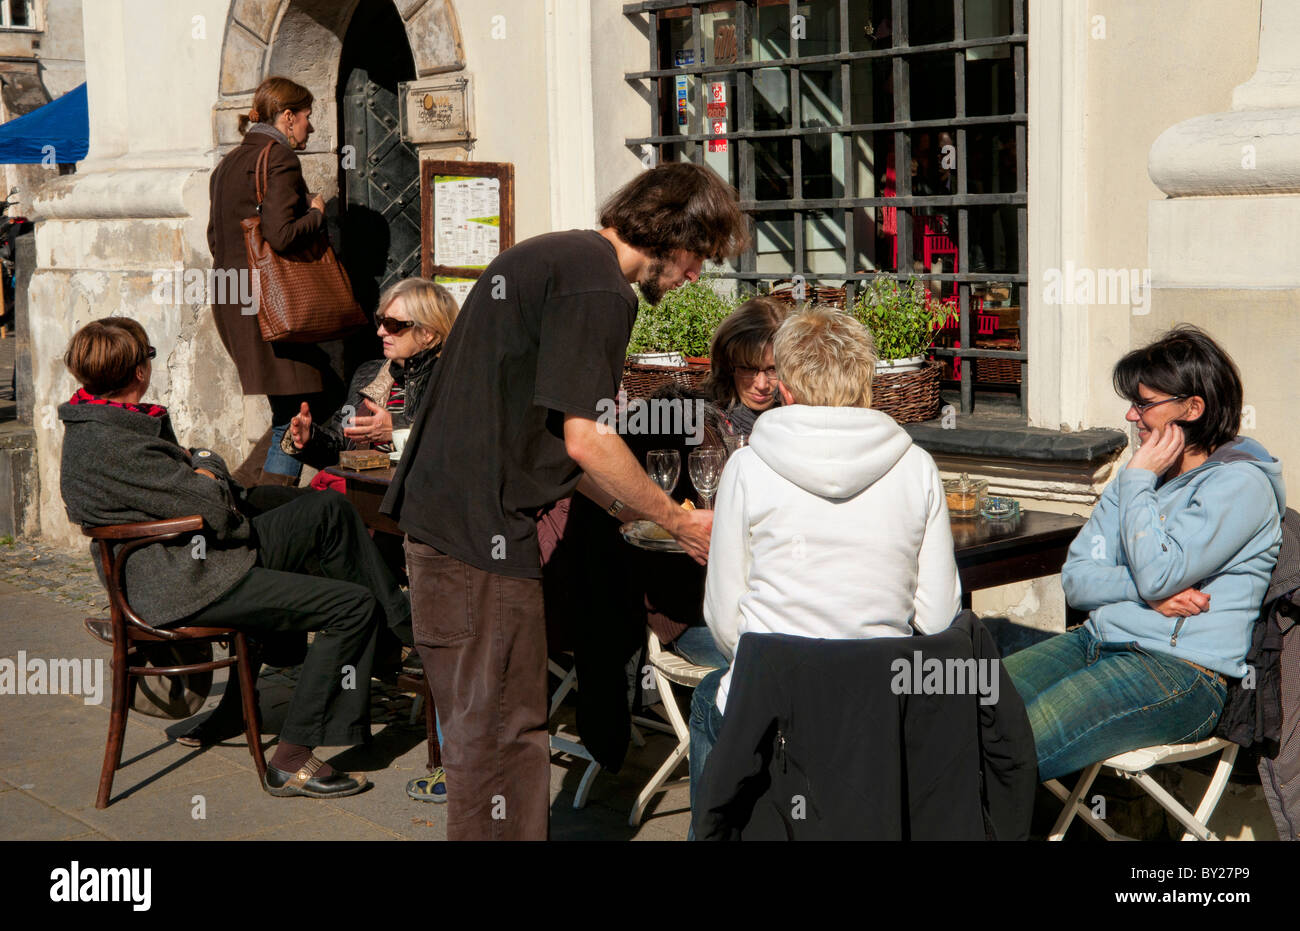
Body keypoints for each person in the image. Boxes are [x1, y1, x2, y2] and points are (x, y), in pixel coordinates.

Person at [381, 162, 749, 840]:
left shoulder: (558, 256)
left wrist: (628, 510)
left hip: (452, 530)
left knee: (483, 738)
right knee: (502, 739)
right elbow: (586, 437)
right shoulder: (600, 287)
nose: (697, 274)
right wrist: (677, 519)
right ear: (672, 233)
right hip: (477, 539)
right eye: (699, 255)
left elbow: (550, 434)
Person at [58, 317, 412, 798]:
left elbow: (205, 488)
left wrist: (203, 469)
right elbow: (214, 506)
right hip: (185, 580)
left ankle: (391, 640)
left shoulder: (101, 422)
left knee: (327, 508)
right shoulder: (118, 442)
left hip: (186, 561)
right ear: (140, 370)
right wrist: (205, 463)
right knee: (351, 606)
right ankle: (292, 758)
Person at [689, 305, 961, 835]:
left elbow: (725, 617)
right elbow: (937, 613)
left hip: (775, 703)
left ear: (787, 387)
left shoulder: (748, 465)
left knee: (709, 697)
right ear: (866, 385)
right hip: (880, 701)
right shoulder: (916, 466)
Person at [1004, 325, 1285, 782]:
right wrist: (1145, 595)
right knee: (965, 710)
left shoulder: (1240, 484)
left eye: (1144, 404)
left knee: (1011, 747)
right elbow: (1076, 579)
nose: (1132, 416)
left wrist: (1137, 484)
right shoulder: (1142, 475)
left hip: (1181, 673)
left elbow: (1160, 573)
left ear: (1194, 408)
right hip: (1094, 641)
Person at [207, 75, 336, 488]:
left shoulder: (227, 163)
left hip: (234, 298)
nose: (309, 128)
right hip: (271, 305)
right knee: (302, 409)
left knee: (294, 408)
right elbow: (280, 235)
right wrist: (316, 213)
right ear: (286, 116)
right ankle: (269, 512)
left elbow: (215, 238)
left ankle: (238, 491)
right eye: (306, 117)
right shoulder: (278, 157)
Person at [282, 278, 457, 478]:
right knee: (262, 497)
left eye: (392, 325)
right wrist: (310, 438)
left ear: (427, 333)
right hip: (357, 492)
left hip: (407, 501)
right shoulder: (369, 374)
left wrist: (396, 428)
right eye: (380, 321)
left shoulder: (455, 379)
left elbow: (460, 443)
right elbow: (341, 442)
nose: (380, 331)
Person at [701, 296, 788, 438]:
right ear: (727, 364)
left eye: (773, 369)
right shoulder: (707, 428)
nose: (761, 385)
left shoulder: (806, 421)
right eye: (748, 368)